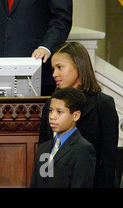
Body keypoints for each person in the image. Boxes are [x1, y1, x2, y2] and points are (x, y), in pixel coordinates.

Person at [39, 41, 120, 188]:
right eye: (53, 68)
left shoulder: (103, 104)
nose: (54, 74)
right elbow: (45, 153)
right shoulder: (51, 104)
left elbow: (108, 160)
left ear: (78, 66)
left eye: (60, 67)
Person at [30, 87, 95, 188]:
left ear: (76, 116)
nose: (52, 116)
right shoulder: (44, 148)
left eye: (59, 112)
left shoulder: (83, 149)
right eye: (51, 111)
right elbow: (39, 182)